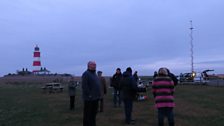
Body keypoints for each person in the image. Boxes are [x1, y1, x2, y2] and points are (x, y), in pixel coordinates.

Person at [82, 61, 101, 126]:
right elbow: (84, 86)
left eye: (95, 65)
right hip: (89, 99)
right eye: (93, 65)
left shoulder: (94, 74)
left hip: (95, 98)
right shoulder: (86, 74)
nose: (95, 66)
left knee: (93, 114)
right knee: (88, 115)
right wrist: (89, 95)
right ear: (89, 66)